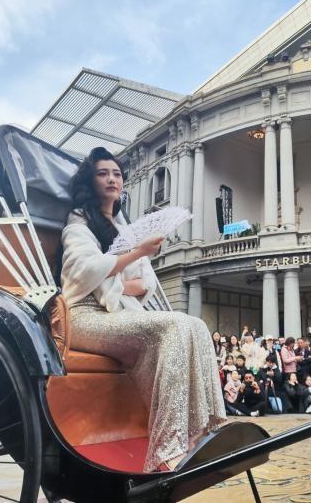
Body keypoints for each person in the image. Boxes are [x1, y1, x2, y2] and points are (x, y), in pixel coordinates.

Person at [60, 147, 226, 472]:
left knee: (195, 324)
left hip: (120, 313)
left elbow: (143, 284)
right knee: (174, 325)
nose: (112, 179)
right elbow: (83, 272)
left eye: (117, 174)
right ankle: (167, 448)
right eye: (102, 173)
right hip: (84, 316)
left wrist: (116, 276)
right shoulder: (78, 224)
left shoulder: (124, 228)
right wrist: (134, 255)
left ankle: (206, 427)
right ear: (90, 181)